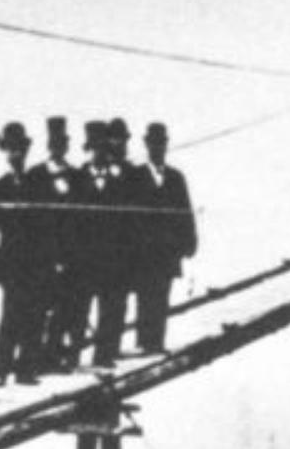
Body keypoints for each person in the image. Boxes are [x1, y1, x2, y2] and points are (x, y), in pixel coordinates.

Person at [72, 120, 138, 368]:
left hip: (113, 259)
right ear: (87, 150)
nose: (99, 153)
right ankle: (73, 357)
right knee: (78, 311)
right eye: (94, 148)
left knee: (112, 308)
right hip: (84, 260)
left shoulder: (119, 181)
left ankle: (105, 355)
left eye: (103, 148)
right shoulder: (77, 179)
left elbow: (127, 223)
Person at [131, 121, 197, 353]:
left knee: (161, 295)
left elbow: (185, 212)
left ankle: (156, 341)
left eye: (161, 143)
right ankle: (143, 342)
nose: (157, 148)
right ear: (146, 145)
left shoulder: (175, 178)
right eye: (153, 143)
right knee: (144, 295)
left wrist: (189, 243)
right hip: (143, 251)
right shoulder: (136, 176)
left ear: (165, 146)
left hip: (167, 250)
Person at [0, 122, 42, 385]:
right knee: (10, 316)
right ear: (6, 152)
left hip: (36, 261)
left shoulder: (38, 183)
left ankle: (26, 370)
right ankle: (1, 370)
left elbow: (49, 225)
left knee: (33, 315)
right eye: (12, 150)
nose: (17, 154)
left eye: (20, 149)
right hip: (10, 262)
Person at [27, 116, 82, 368]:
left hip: (71, 254)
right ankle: (36, 358)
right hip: (43, 256)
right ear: (48, 145)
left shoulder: (76, 176)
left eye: (62, 143)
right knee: (41, 309)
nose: (58, 147)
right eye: (54, 143)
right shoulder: (35, 175)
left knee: (66, 308)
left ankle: (58, 355)